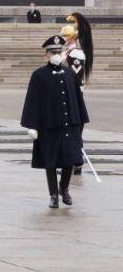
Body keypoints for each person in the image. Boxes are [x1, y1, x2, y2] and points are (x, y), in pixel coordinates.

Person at [21, 36, 89, 209]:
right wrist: (32, 125)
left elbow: (78, 99)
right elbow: (32, 101)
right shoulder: (39, 75)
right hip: (49, 125)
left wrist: (80, 121)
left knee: (70, 159)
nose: (56, 54)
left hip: (69, 124)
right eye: (53, 52)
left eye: (59, 51)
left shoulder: (69, 74)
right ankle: (53, 195)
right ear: (46, 55)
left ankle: (64, 188)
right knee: (50, 161)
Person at [61, 12, 93, 175]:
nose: (64, 39)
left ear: (71, 38)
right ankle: (70, 161)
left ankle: (77, 162)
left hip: (74, 96)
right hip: (66, 96)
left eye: (65, 36)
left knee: (74, 129)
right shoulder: (67, 53)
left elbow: (75, 78)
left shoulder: (76, 54)